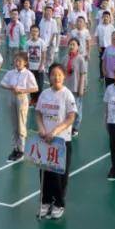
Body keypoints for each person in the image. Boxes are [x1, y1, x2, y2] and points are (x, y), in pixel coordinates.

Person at [35, 63, 77, 220]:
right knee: (45, 173)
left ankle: (59, 204)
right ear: (49, 77)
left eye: (59, 74)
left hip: (61, 141)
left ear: (64, 77)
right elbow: (38, 113)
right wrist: (41, 128)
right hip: (45, 141)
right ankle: (45, 202)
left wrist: (55, 131)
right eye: (53, 74)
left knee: (59, 175)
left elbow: (71, 117)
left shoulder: (67, 95)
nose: (56, 77)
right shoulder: (44, 94)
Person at [1, 51, 37, 161]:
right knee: (14, 125)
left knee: (21, 124)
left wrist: (23, 90)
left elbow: (35, 88)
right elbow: (2, 83)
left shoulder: (28, 74)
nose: (17, 63)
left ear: (25, 62)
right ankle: (15, 148)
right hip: (12, 98)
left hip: (22, 99)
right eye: (16, 60)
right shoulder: (11, 73)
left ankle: (21, 150)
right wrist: (11, 87)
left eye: (20, 61)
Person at [64, 37, 88, 136]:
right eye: (70, 44)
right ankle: (67, 125)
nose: (71, 46)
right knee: (67, 108)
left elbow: (83, 74)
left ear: (78, 46)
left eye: (74, 44)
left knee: (76, 109)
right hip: (66, 88)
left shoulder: (80, 59)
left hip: (75, 88)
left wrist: (81, 88)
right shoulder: (65, 58)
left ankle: (76, 127)